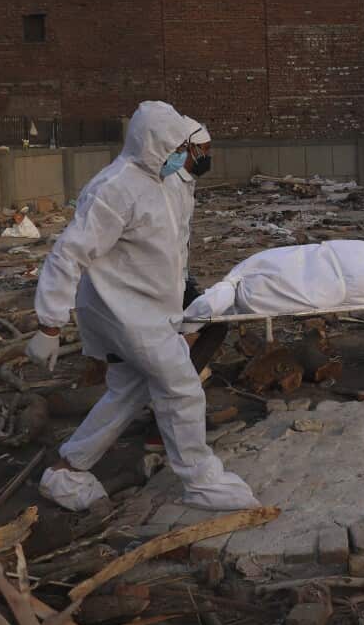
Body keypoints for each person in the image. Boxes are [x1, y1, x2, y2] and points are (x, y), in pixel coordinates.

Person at [26, 101, 258, 512]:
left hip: (147, 308)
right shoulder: (114, 189)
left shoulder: (160, 182)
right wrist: (49, 324)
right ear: (156, 145)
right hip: (124, 312)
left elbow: (169, 246)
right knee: (181, 388)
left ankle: (66, 469)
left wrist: (183, 301)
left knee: (128, 391)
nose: (183, 157)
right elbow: (68, 254)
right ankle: (200, 480)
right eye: (178, 148)